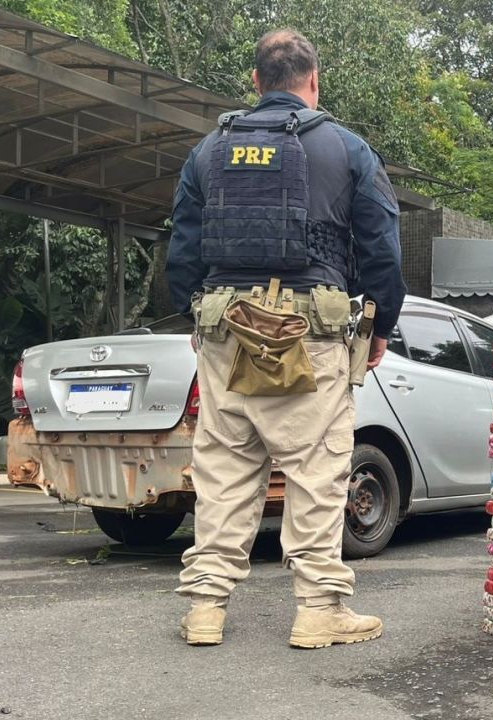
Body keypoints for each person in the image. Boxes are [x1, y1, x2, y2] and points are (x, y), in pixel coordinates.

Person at [165, 28, 406, 649]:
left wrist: (199, 318)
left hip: (224, 328)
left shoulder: (207, 151)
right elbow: (381, 248)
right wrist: (380, 326)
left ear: (255, 83)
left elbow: (184, 250)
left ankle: (205, 610)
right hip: (312, 331)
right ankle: (319, 608)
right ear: (314, 81)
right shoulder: (348, 149)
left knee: (223, 467)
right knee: (316, 467)